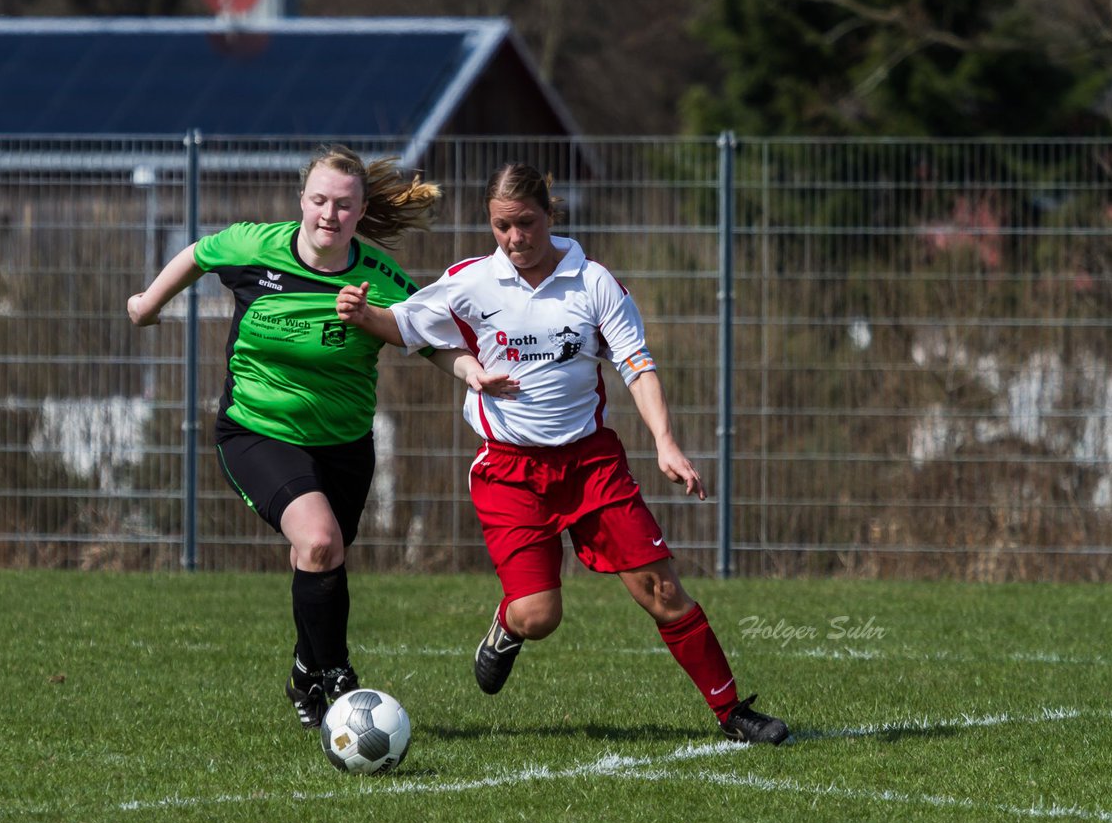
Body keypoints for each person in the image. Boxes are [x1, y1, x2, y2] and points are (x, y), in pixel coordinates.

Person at [336, 162, 789, 744]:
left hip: (591, 465)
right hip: (509, 472)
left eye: (525, 223)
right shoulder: (471, 282)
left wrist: (665, 442)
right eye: (502, 227)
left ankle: (733, 713)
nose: (515, 238)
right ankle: (506, 626)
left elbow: (636, 364)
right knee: (538, 616)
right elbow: (404, 325)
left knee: (664, 592)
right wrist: (360, 313)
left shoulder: (592, 281)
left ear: (550, 213)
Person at [127, 145, 508, 730]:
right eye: (320, 200)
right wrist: (148, 303)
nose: (329, 215)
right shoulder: (256, 246)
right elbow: (200, 254)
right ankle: (337, 674)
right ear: (302, 201)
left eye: (344, 205)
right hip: (258, 429)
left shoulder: (377, 279)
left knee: (319, 556)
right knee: (321, 540)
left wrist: (471, 372)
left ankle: (305, 667)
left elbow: (429, 339)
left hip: (345, 443)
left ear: (361, 212)